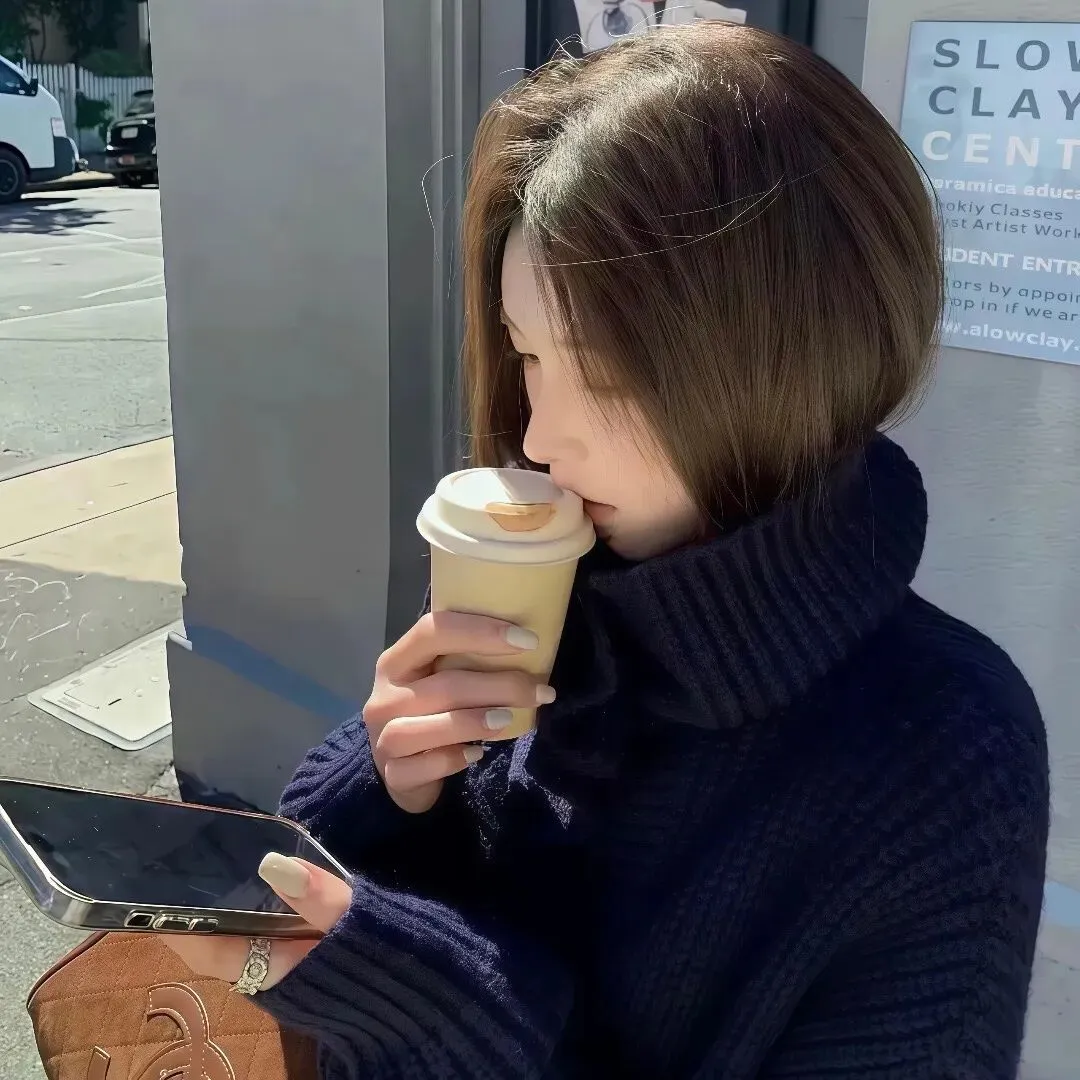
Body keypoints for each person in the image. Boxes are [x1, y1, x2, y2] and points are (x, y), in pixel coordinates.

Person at [164, 21, 1049, 1079]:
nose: (541, 438)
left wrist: (439, 1013)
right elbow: (327, 871)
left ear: (788, 360)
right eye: (528, 356)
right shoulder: (555, 591)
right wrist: (382, 776)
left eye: (611, 375)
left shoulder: (948, 752)